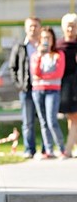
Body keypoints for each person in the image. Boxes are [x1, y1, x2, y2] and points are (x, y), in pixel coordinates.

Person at [10, 17, 43, 159]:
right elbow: (13, 67)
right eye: (30, 26)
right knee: (28, 121)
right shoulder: (20, 47)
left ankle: (46, 149)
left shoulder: (45, 46)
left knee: (45, 120)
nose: (33, 29)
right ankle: (29, 149)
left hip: (43, 89)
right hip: (27, 90)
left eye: (35, 26)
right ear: (25, 28)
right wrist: (19, 85)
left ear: (40, 28)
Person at [30, 27, 66, 158]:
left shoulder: (58, 55)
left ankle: (62, 149)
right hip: (38, 90)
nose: (46, 41)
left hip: (53, 90)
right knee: (43, 121)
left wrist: (44, 77)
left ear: (53, 40)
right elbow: (35, 73)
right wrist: (40, 56)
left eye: (48, 38)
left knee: (52, 120)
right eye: (43, 38)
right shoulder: (36, 55)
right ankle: (48, 150)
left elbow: (58, 73)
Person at [57, 13, 77, 157]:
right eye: (68, 26)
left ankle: (68, 149)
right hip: (66, 85)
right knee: (71, 117)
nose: (71, 28)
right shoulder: (58, 45)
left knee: (75, 117)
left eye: (74, 25)